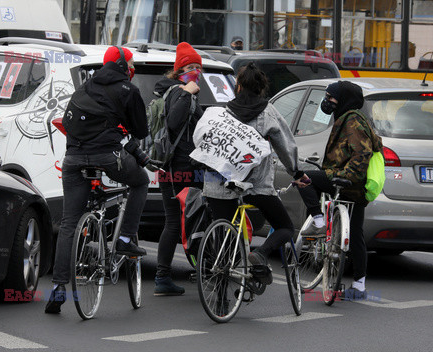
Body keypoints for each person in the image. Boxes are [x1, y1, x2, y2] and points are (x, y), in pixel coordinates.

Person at [45, 46, 152, 314]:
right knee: (140, 182)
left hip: (73, 160)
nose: (133, 69)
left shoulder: (84, 88)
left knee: (70, 221)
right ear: (125, 66)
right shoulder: (128, 90)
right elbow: (140, 130)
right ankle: (126, 238)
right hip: (108, 157)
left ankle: (57, 289)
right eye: (132, 64)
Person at [201, 62, 310, 284]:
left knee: (224, 233)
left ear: (238, 86)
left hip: (218, 185)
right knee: (286, 227)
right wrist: (296, 173)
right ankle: (260, 253)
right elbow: (285, 145)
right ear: (261, 88)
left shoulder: (222, 112)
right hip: (255, 186)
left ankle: (220, 297)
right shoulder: (268, 112)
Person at [298, 80, 383, 300]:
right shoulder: (349, 117)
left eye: (331, 98)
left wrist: (343, 176)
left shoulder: (352, 120)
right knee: (355, 234)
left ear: (344, 99)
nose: (327, 102)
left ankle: (318, 221)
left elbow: (361, 154)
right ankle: (359, 285)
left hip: (348, 182)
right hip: (356, 188)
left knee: (304, 179)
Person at [154, 42, 205, 296]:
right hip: (179, 170)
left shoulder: (184, 92)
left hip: (173, 169)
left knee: (181, 222)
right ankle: (166, 277)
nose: (195, 71)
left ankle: (170, 275)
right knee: (180, 222)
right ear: (178, 71)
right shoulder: (179, 92)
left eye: (198, 67)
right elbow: (174, 122)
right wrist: (187, 93)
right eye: (189, 67)